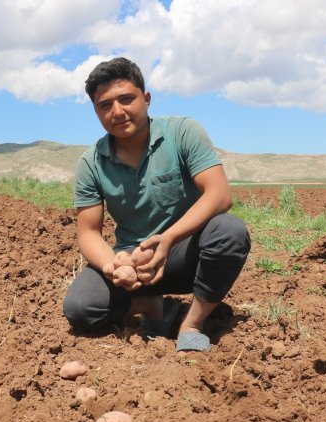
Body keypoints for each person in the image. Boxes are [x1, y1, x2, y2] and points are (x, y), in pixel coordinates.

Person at [62, 57, 251, 352]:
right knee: (80, 309)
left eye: (126, 99)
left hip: (185, 252)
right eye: (105, 105)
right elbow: (89, 233)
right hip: (133, 264)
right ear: (96, 111)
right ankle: (153, 306)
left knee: (229, 231)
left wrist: (169, 239)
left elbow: (219, 194)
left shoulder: (182, 132)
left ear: (146, 99)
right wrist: (113, 265)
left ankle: (191, 324)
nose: (117, 111)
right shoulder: (91, 163)